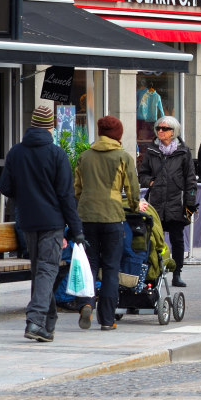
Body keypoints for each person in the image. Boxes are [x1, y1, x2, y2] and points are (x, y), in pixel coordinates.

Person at [0, 105, 85, 342]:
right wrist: (77, 230)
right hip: (52, 222)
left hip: (27, 222)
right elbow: (66, 196)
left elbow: (5, 187)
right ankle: (35, 320)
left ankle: (48, 325)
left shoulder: (16, 152)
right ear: (51, 126)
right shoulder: (56, 154)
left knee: (41, 271)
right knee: (47, 269)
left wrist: (25, 193)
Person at [74, 115, 142, 331]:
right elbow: (132, 189)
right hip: (113, 217)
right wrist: (133, 207)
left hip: (87, 217)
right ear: (118, 135)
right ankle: (107, 319)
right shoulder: (123, 157)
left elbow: (77, 188)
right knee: (111, 268)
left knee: (90, 265)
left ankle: (86, 303)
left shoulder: (85, 156)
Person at [138, 115, 197, 288]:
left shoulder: (184, 152)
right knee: (155, 240)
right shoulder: (151, 151)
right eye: (158, 129)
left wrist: (190, 205)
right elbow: (142, 174)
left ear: (174, 132)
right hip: (156, 204)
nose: (160, 132)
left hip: (176, 203)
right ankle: (154, 273)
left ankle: (177, 273)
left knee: (177, 239)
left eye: (165, 129)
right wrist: (150, 182)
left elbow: (191, 181)